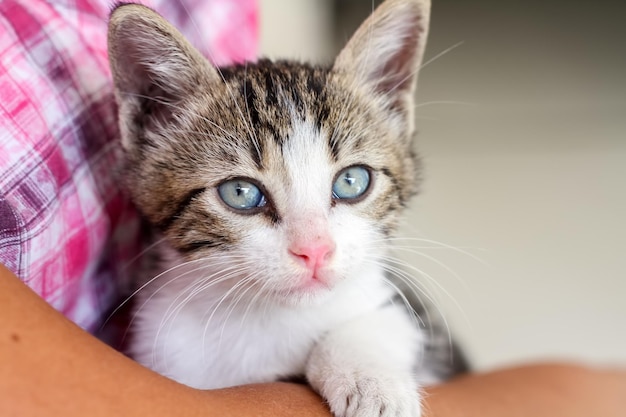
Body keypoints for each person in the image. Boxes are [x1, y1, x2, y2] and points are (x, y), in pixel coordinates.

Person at [1, 1, 624, 416]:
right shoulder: (158, 348)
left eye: (350, 184)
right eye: (244, 194)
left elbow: (381, 334)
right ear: (154, 124)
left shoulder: (373, 312)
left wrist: (346, 354)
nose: (313, 245)